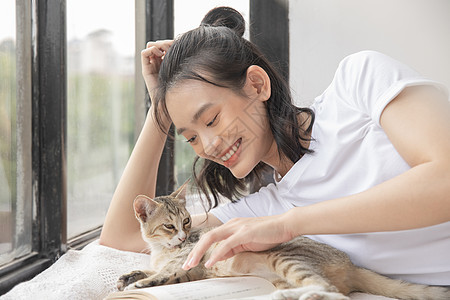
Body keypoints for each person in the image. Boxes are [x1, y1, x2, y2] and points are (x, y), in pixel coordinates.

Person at [99, 7, 450, 286]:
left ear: (256, 84)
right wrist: (160, 106)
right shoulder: (265, 209)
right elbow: (124, 236)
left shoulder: (358, 82)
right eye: (190, 137)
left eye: (210, 120)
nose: (207, 146)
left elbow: (444, 179)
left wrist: (289, 225)